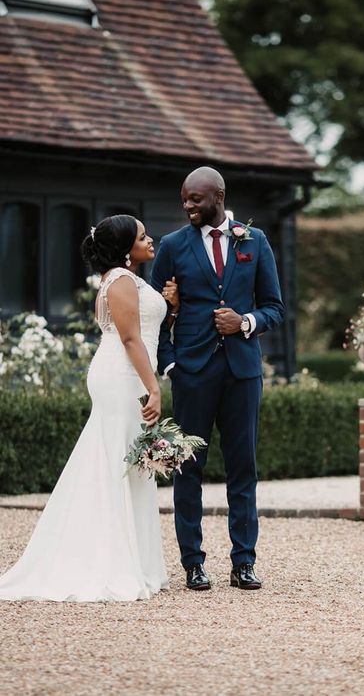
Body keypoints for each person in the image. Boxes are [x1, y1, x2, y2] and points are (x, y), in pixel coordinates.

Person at [0, 215, 169, 602]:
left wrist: (168, 305)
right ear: (127, 249)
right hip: (123, 377)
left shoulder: (121, 280)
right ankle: (110, 561)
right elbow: (129, 338)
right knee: (122, 463)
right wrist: (153, 388)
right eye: (143, 236)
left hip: (123, 375)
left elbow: (142, 327)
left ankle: (134, 559)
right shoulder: (122, 281)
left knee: (121, 462)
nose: (150, 239)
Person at [150, 166, 284, 591]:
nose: (188, 206)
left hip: (243, 372)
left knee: (243, 467)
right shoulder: (172, 246)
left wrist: (244, 322)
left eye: (195, 199)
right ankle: (193, 562)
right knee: (188, 468)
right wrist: (170, 364)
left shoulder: (255, 241)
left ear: (219, 196)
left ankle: (244, 561)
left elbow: (275, 308)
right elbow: (155, 313)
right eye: (184, 199)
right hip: (192, 372)